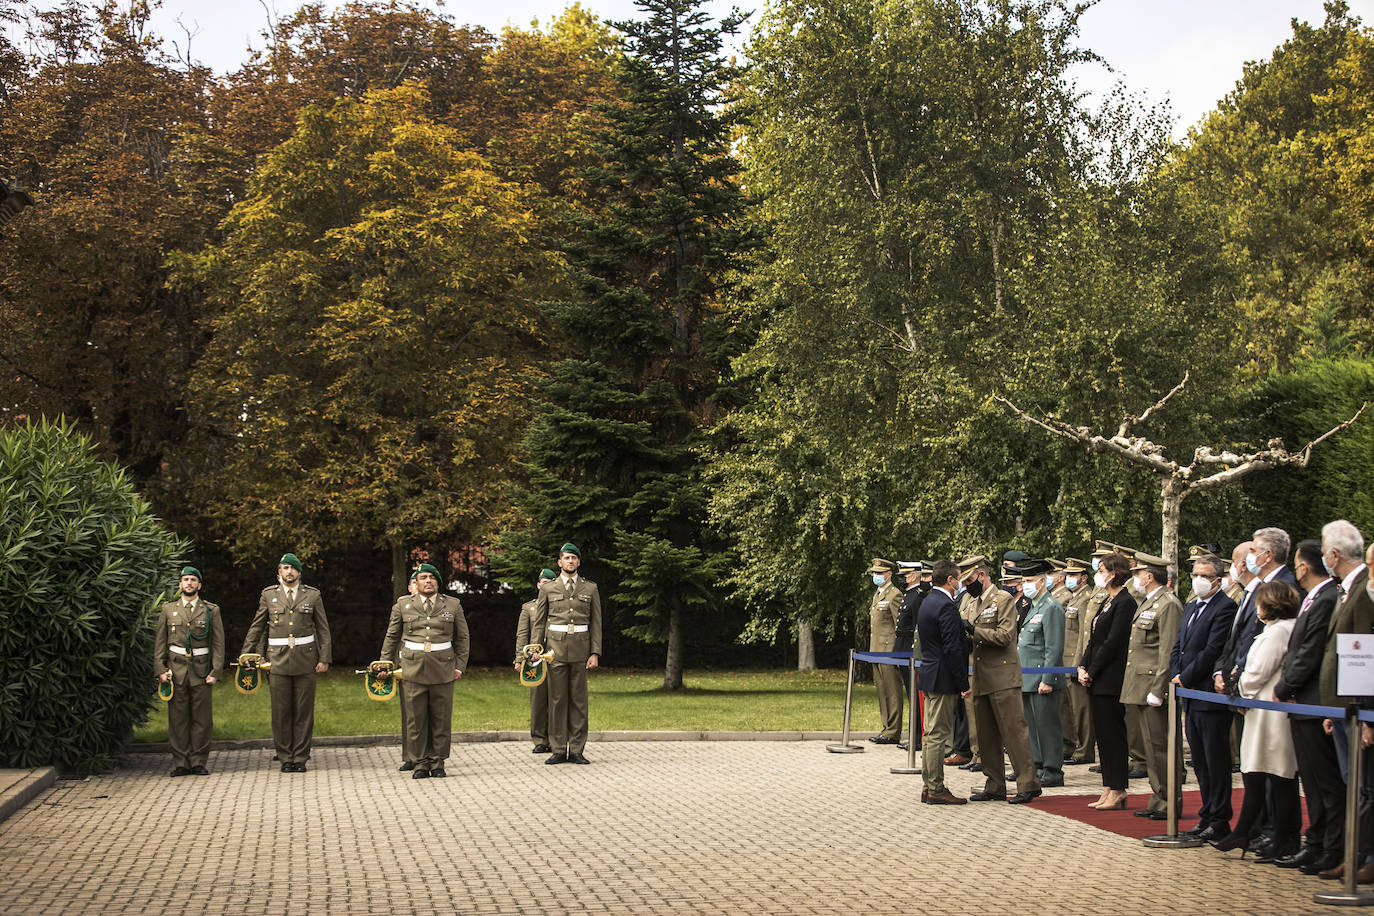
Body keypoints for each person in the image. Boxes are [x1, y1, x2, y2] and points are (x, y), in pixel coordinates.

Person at [1211, 581, 1302, 861]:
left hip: (1267, 714)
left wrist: (1239, 689)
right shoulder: (1280, 630)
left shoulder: (1277, 633)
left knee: (1271, 775)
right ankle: (1251, 832)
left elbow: (1257, 672)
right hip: (1266, 712)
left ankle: (1274, 837)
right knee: (1268, 776)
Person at [1272, 539, 1342, 873]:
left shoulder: (1327, 598)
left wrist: (1284, 686)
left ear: (1303, 566)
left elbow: (1310, 651)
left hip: (1314, 702)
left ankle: (1332, 847)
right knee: (1311, 782)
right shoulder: (1313, 598)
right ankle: (1315, 842)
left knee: (1326, 782)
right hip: (1302, 703)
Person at [1315, 521, 1374, 881]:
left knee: (1365, 787)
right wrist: (1331, 708)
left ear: (1334, 555)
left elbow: (1365, 656)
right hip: (1343, 708)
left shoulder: (1365, 591)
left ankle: (1365, 859)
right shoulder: (1347, 588)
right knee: (1354, 785)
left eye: (1324, 550)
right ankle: (1356, 855)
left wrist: (1366, 715)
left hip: (1359, 709)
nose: (1323, 556)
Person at [959, 558, 1041, 804]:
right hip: (982, 676)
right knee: (986, 735)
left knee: (1013, 731)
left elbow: (1006, 636)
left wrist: (974, 632)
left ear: (982, 575)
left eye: (970, 580)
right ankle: (994, 784)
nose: (967, 586)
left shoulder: (1002, 600)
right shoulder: (973, 603)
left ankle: (1028, 783)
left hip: (1003, 675)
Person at [240, 553, 331, 773]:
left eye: (293, 568)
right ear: (279, 572)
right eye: (284, 568)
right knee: (281, 711)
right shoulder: (269, 595)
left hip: (305, 659)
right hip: (277, 660)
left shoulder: (313, 595)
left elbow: (322, 629)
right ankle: (284, 757)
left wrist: (324, 658)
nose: (289, 572)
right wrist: (247, 654)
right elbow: (258, 626)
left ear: (299, 572)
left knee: (303, 711)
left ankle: (300, 757)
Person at [1170, 552, 1237, 841]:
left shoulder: (1225, 607)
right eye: (1195, 575)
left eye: (1205, 576)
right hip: (1190, 694)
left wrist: (1185, 677)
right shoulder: (1191, 607)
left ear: (1218, 580)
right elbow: (1179, 646)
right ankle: (1207, 815)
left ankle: (1219, 818)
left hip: (1209, 696)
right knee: (1199, 760)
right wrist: (1176, 672)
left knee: (1215, 761)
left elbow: (1212, 651)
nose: (1198, 580)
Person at [380, 563, 469, 779]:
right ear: (416, 583)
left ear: (438, 582)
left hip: (443, 668)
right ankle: (419, 762)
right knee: (415, 718)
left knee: (440, 717)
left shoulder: (453, 605)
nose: (427, 581)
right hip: (412, 668)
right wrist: (384, 663)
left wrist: (459, 666)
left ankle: (437, 761)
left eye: (431, 577)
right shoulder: (402, 607)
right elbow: (392, 637)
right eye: (423, 578)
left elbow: (462, 638)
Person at [1123, 551, 1184, 821]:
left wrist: (1159, 688)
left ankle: (1170, 800)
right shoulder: (1148, 602)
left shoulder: (1168, 604)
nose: (1134, 578)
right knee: (1150, 746)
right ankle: (1158, 796)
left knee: (1160, 747)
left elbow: (1168, 651)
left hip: (1153, 686)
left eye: (1137, 574)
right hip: (1140, 685)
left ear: (1149, 576)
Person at [532, 542, 602, 765]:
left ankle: (578, 749)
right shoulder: (548, 589)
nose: (570, 561)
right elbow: (539, 621)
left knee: (579, 701)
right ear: (559, 562)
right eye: (566, 558)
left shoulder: (590, 588)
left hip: (581, 650)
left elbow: (596, 623)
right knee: (557, 700)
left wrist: (595, 652)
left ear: (578, 562)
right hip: (555, 651)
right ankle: (559, 748)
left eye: (574, 558)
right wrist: (535, 650)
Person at [154, 566, 225, 777]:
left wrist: (216, 670)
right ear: (179, 585)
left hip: (201, 670)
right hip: (175, 671)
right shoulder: (168, 609)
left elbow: (218, 643)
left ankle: (198, 761)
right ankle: (180, 762)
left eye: (193, 580)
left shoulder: (211, 610)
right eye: (185, 580)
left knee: (202, 719)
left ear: (199, 585)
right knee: (178, 719)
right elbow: (160, 642)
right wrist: (160, 668)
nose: (189, 583)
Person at [1078, 552, 1135, 810]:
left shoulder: (1125, 602)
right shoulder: (1106, 601)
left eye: (1101, 569)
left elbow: (1113, 642)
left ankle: (1119, 788)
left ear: (1114, 573)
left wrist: (1093, 670)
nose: (1097, 574)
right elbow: (1094, 637)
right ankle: (1108, 787)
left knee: (1113, 736)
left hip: (1110, 677)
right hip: (1096, 677)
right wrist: (1082, 665)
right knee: (1103, 735)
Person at [917, 560, 969, 805]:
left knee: (930, 734)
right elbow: (952, 648)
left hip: (929, 673)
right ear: (950, 580)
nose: (959, 584)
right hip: (943, 676)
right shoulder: (946, 605)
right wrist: (962, 683)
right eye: (958, 579)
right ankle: (936, 787)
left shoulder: (928, 601)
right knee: (938, 735)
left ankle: (929, 786)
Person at [1017, 560, 1066, 788]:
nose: (1025, 585)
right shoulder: (1033, 606)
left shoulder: (1051, 607)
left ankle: (1053, 769)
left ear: (1042, 581)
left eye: (1029, 581)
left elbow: (1053, 648)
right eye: (1024, 581)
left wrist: (1048, 678)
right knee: (1033, 725)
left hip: (1043, 678)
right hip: (1028, 678)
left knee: (1047, 725)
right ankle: (1037, 765)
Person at [515, 568, 558, 754]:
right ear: (538, 584)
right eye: (543, 582)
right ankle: (540, 739)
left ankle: (557, 738)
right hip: (535, 659)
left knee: (557, 700)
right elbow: (522, 634)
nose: (545, 585)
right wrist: (519, 658)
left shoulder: (559, 605)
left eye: (550, 582)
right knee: (538, 701)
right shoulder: (529, 608)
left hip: (557, 658)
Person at [1060, 558, 1096, 766]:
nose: (1069, 579)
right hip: (1066, 661)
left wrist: (1079, 663)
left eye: (1073, 575)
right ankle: (1075, 746)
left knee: (1081, 709)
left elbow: (1084, 635)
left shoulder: (1085, 599)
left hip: (1075, 660)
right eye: (1067, 575)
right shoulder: (1075, 598)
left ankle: (1085, 750)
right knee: (1071, 709)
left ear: (1084, 578)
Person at [867, 558, 904, 745]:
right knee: (882, 690)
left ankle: (893, 730)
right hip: (876, 650)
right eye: (874, 573)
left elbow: (900, 626)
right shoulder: (878, 594)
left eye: (879, 573)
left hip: (889, 650)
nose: (876, 576)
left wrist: (897, 652)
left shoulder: (894, 594)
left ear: (889, 574)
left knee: (892, 691)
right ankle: (885, 728)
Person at [397, 570, 419, 772]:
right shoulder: (402, 606)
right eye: (413, 582)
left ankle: (424, 754)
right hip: (406, 663)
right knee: (409, 714)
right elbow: (394, 636)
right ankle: (409, 755)